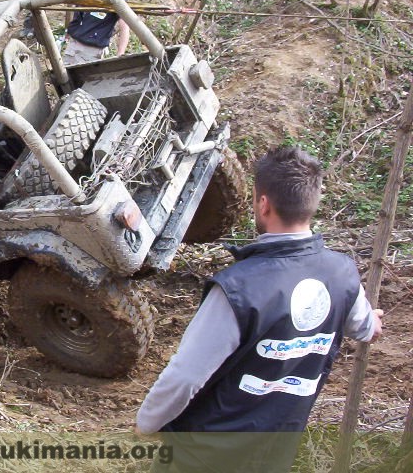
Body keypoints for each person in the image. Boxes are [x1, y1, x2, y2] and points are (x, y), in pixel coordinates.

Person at [134, 146, 383, 473]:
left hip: (203, 455)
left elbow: (185, 377)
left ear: (263, 204)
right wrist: (372, 322)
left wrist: (147, 423)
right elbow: (364, 326)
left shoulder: (238, 288)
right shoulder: (343, 274)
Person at [62, 0, 129, 65]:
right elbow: (76, 15)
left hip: (94, 50)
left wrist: (120, 54)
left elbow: (124, 26)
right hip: (73, 46)